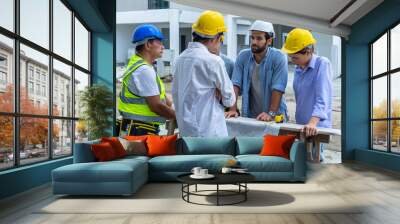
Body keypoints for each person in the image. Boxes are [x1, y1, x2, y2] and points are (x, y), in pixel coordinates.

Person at [172, 10, 236, 137]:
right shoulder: (213, 61)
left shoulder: (179, 59)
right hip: (210, 134)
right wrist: (218, 89)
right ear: (217, 38)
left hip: (186, 133)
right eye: (221, 40)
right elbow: (230, 100)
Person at [281, 28, 333, 161]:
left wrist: (313, 123)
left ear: (308, 51)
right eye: (290, 57)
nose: (292, 60)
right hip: (302, 127)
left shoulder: (322, 64)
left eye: (295, 57)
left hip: (316, 128)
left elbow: (323, 98)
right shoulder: (299, 69)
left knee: (313, 164)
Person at [117, 24, 175, 136]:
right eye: (159, 42)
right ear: (148, 44)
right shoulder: (143, 70)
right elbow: (156, 106)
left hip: (137, 128)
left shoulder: (142, 66)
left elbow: (164, 99)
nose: (163, 47)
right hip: (138, 131)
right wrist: (179, 117)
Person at [226, 20, 288, 121]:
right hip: (250, 115)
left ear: (269, 41)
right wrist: (232, 109)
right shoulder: (243, 56)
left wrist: (271, 113)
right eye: (252, 38)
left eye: (259, 38)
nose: (254, 42)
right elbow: (235, 84)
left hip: (275, 116)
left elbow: (278, 88)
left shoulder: (279, 58)